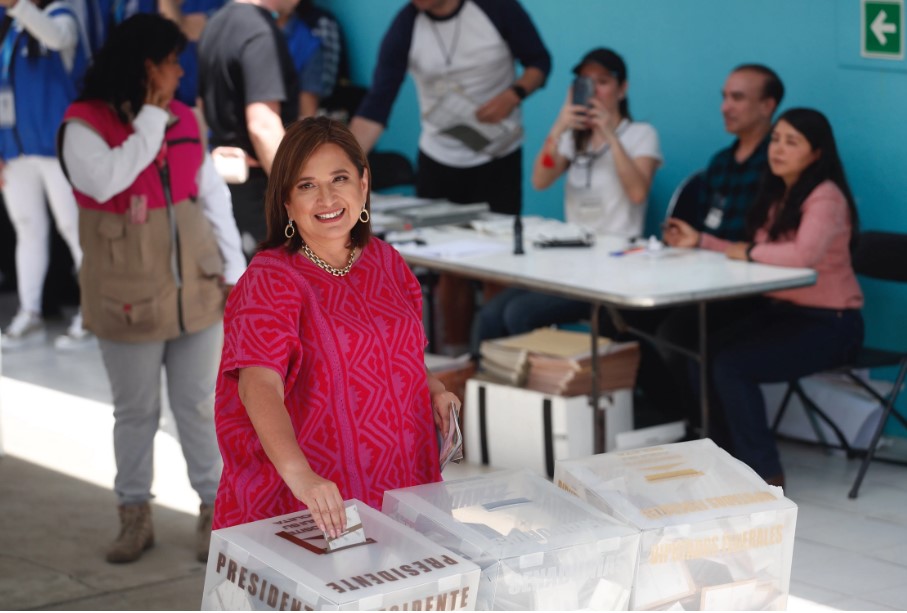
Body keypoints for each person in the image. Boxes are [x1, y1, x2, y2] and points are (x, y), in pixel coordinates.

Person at [57, 13, 246, 563]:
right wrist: (147, 120)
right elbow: (107, 179)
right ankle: (134, 515)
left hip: (196, 290)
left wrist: (235, 271)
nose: (181, 71)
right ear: (146, 66)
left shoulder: (185, 115)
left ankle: (217, 513)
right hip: (126, 292)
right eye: (171, 61)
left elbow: (212, 196)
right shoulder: (83, 125)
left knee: (197, 405)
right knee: (136, 411)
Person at [213, 117, 460, 535]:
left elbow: (404, 359)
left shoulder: (387, 262)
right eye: (306, 185)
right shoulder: (270, 280)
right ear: (287, 202)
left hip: (402, 485)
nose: (326, 196)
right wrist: (300, 476)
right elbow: (258, 386)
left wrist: (435, 392)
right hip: (311, 503)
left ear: (363, 185)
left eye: (339, 178)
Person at [664, 108, 864, 485]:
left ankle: (766, 476)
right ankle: (722, 461)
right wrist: (701, 241)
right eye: (775, 139)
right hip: (786, 313)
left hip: (832, 324)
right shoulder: (779, 196)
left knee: (732, 365)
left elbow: (802, 256)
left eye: (792, 142)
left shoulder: (825, 197)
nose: (778, 149)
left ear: (816, 153)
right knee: (702, 354)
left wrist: (749, 252)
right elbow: (753, 249)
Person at [349, 0, 551, 355]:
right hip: (439, 157)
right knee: (447, 267)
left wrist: (514, 94)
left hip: (497, 154)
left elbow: (539, 62)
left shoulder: (495, 9)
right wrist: (340, 167)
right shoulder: (406, 25)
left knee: (497, 264)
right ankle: (455, 360)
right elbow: (378, 102)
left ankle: (495, 359)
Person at [474, 48, 662, 344]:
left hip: (615, 264)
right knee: (491, 315)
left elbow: (638, 192)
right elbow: (540, 179)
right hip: (572, 259)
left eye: (603, 82)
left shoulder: (640, 134)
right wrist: (559, 126)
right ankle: (476, 383)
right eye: (585, 82)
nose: (594, 91)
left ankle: (533, 386)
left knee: (519, 314)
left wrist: (609, 134)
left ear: (622, 89)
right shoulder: (574, 137)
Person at [652, 63, 785, 423]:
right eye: (724, 97)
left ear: (767, 105)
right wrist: (684, 238)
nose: (726, 106)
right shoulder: (721, 163)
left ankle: (708, 429)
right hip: (706, 278)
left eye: (738, 98)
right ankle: (670, 420)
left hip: (751, 290)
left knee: (676, 335)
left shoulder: (777, 166)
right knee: (637, 319)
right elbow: (702, 226)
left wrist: (705, 242)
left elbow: (762, 241)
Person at [0, 0, 90, 350]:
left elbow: (55, 39)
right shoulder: (11, 27)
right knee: (27, 230)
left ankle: (92, 315)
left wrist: (19, 6)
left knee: (75, 230)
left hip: (57, 150)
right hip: (16, 151)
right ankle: (30, 312)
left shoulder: (62, 15)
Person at [197, 0, 299, 258]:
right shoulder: (260, 30)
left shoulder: (215, 25)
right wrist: (299, 190)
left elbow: (202, 105)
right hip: (258, 194)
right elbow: (263, 125)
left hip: (220, 186)